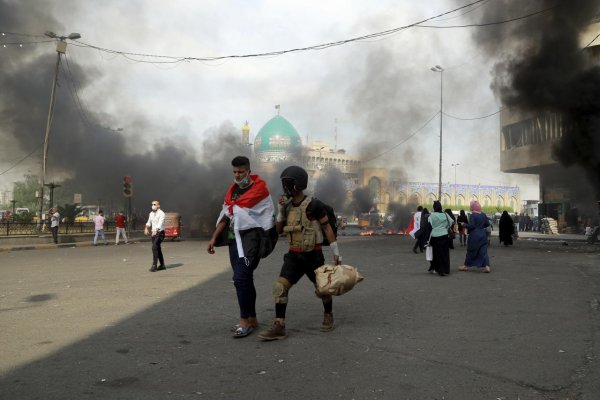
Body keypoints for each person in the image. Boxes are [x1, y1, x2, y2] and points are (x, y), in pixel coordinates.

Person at [258, 165, 341, 341]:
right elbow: (279, 230)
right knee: (280, 287)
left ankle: (328, 314)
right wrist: (281, 210)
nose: (285, 187)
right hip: (294, 256)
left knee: (323, 289)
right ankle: (279, 326)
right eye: (284, 183)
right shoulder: (286, 206)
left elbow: (326, 226)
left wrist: (336, 252)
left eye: (288, 183)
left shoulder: (314, 205)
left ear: (299, 184)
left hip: (313, 255)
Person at [207, 156, 276, 338]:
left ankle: (244, 321)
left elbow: (267, 216)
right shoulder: (232, 192)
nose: (237, 175)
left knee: (240, 278)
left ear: (248, 171)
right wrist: (214, 237)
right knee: (245, 279)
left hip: (251, 239)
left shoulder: (260, 191)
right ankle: (252, 318)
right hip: (233, 239)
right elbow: (226, 214)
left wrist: (266, 241)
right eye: (234, 172)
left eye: (241, 172)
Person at [459, 201, 491, 273]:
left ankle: (465, 266)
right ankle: (487, 266)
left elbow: (472, 226)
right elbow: (487, 224)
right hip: (483, 235)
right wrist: (481, 227)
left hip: (474, 236)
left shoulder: (473, 215)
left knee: (471, 251)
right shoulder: (483, 214)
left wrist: (464, 224)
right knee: (484, 252)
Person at [427, 201, 451, 276]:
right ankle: (446, 269)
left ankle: (439, 269)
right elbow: (451, 222)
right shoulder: (445, 214)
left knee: (437, 253)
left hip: (435, 236)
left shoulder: (432, 216)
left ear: (434, 207)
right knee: (445, 253)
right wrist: (445, 228)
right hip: (444, 235)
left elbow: (429, 225)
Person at [145, 200, 166, 271]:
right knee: (157, 249)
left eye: (154, 204)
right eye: (152, 204)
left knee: (154, 247)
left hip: (160, 233)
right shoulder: (151, 213)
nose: (153, 206)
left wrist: (156, 230)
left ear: (158, 205)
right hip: (153, 233)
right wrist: (146, 228)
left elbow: (160, 224)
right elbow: (148, 222)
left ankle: (154, 265)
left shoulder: (161, 213)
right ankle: (162, 265)